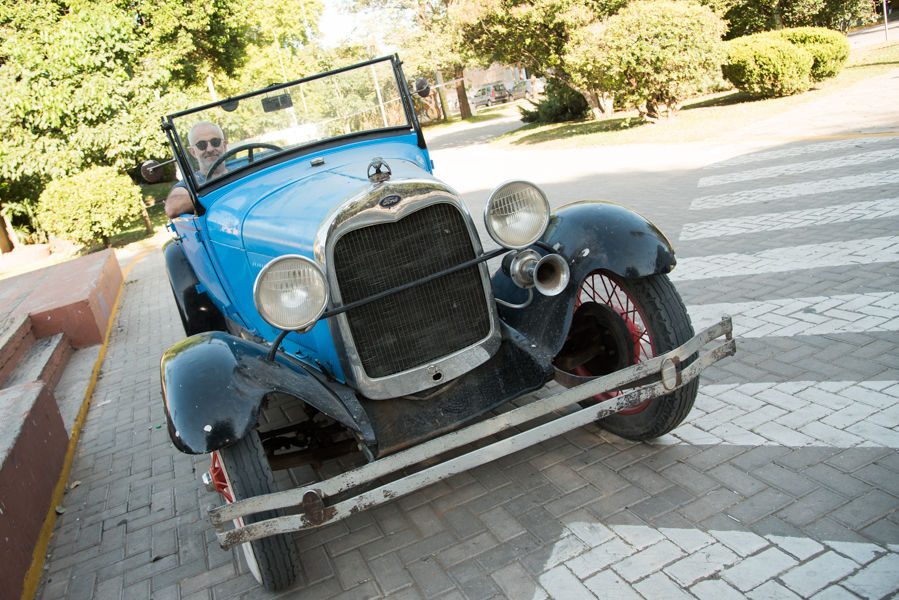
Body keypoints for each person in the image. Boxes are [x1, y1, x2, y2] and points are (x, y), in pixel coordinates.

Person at [164, 121, 229, 218]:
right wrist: (208, 197)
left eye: (215, 142)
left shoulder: (242, 171)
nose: (210, 149)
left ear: (224, 145)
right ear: (193, 152)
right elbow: (171, 207)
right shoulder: (191, 184)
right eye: (201, 145)